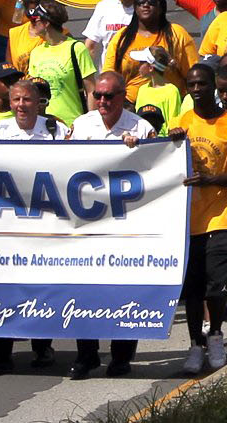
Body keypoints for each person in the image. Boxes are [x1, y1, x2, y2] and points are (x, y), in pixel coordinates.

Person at [0, 78, 69, 375]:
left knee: (41, 286)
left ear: (38, 102)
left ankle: (43, 349)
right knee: (4, 286)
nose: (21, 106)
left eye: (27, 100)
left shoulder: (56, 130)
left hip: (46, 221)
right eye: (16, 100)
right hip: (9, 224)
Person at [169, 60, 227, 375]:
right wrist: (172, 138)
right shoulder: (183, 122)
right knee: (193, 290)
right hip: (190, 221)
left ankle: (215, 334)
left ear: (213, 87)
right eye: (190, 85)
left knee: (215, 289)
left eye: (201, 84)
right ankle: (195, 344)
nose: (195, 90)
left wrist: (212, 181)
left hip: (223, 217)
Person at [65, 73, 154, 376]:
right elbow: (61, 165)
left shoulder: (141, 127)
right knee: (83, 290)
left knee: (123, 292)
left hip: (126, 225)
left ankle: (121, 357)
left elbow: (160, 167)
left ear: (123, 97)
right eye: (98, 96)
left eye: (109, 96)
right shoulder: (81, 125)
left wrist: (142, 149)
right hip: (87, 222)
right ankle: (86, 354)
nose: (102, 101)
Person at [21, 0, 95, 127]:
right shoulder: (36, 52)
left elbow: (91, 91)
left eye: (34, 20)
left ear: (46, 23)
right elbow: (32, 91)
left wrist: (92, 124)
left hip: (72, 123)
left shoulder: (76, 48)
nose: (31, 24)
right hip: (41, 124)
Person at [115, 0, 204, 80]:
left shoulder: (177, 33)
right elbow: (109, 72)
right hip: (129, 95)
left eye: (152, 2)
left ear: (161, 8)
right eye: (141, 2)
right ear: (135, 8)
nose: (146, 5)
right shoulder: (122, 36)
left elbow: (192, 73)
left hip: (169, 94)